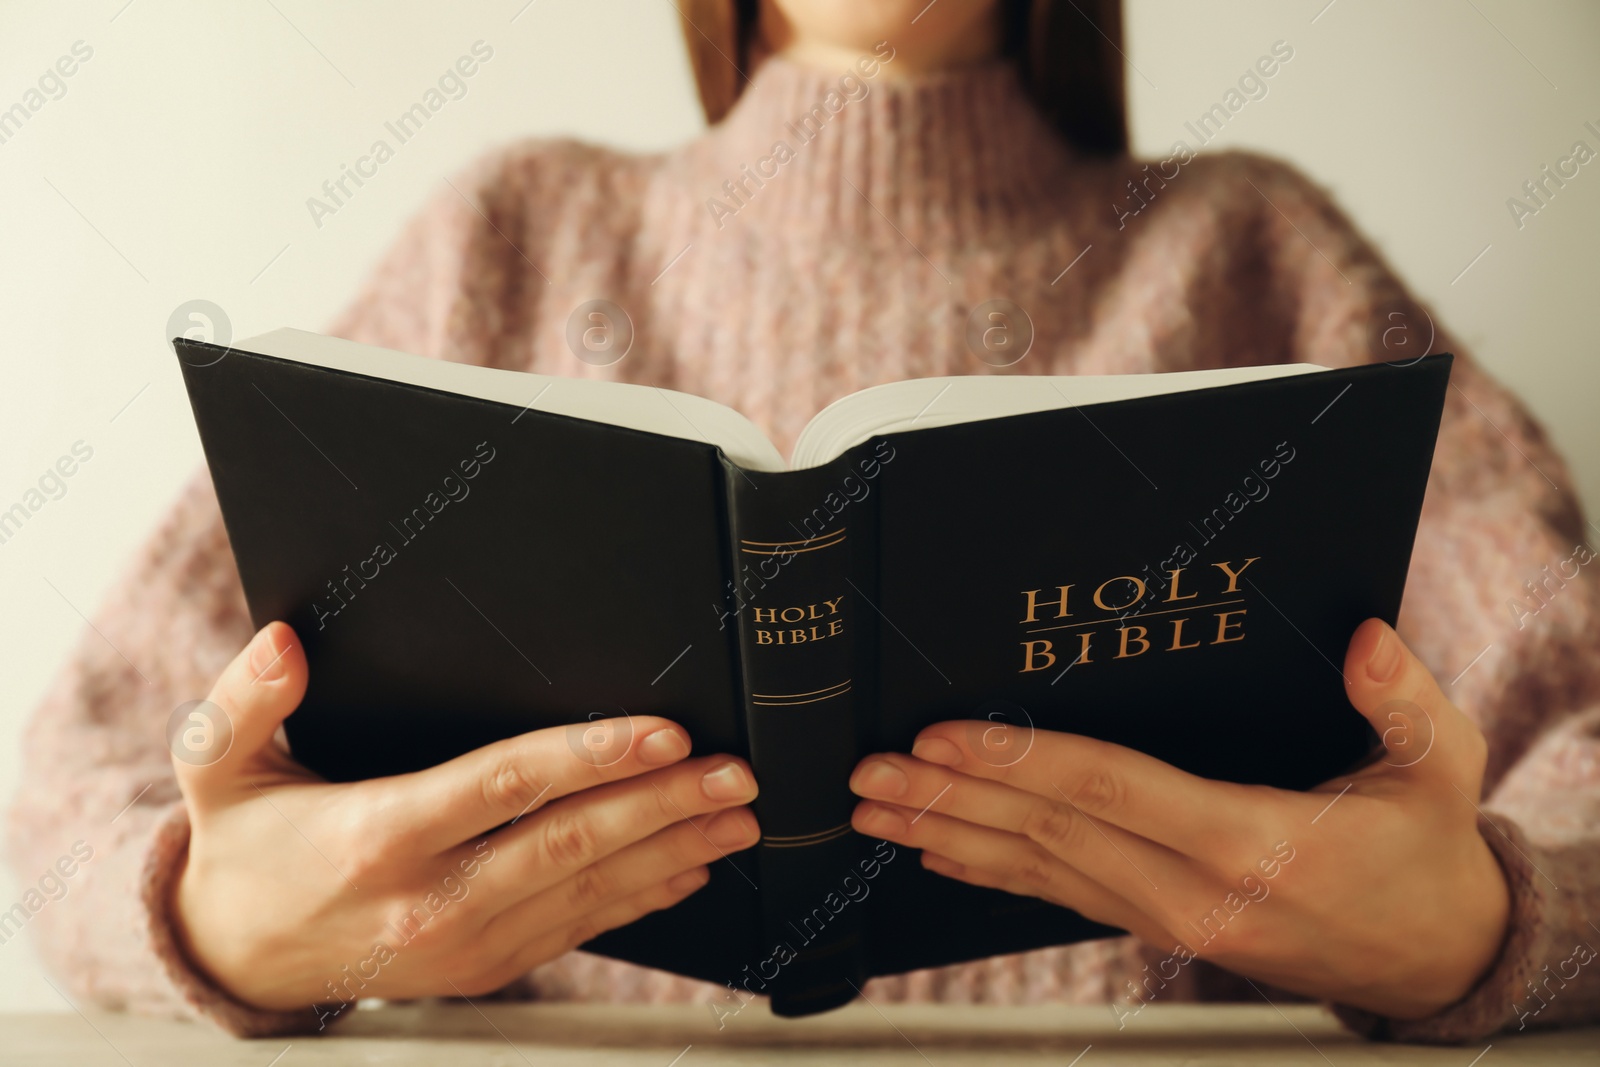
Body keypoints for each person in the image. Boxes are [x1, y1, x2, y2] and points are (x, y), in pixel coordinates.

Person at [9, 0, 1598, 1043]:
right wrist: (224, 918)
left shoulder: (1254, 251)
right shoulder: (512, 234)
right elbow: (58, 809)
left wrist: (1477, 924)